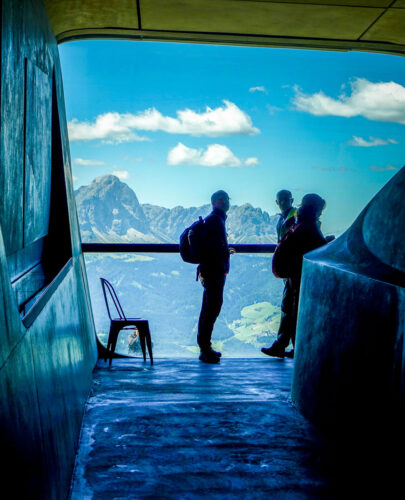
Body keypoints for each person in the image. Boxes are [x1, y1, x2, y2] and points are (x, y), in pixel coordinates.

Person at [262, 193, 330, 359]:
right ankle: (294, 346)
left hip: (292, 274)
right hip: (302, 276)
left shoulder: (298, 222)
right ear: (315, 208)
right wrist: (328, 243)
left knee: (289, 309)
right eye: (320, 209)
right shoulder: (310, 225)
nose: (320, 213)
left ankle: (284, 345)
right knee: (296, 311)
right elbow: (316, 247)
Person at [197, 190, 233, 364]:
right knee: (210, 309)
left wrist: (226, 251)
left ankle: (206, 348)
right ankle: (205, 349)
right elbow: (211, 249)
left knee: (210, 309)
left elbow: (212, 247)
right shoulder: (215, 220)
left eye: (226, 199)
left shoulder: (216, 220)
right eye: (223, 199)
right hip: (214, 272)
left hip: (213, 271)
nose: (226, 202)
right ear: (215, 202)